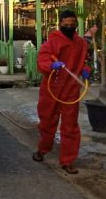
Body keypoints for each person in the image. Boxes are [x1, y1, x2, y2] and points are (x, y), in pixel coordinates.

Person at [32, 10, 90, 174]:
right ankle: (42, 149)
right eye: (66, 24)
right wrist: (50, 66)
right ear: (60, 24)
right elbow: (42, 61)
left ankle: (68, 160)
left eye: (72, 24)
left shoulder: (81, 44)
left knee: (70, 126)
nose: (69, 27)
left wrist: (85, 69)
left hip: (71, 89)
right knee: (47, 121)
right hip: (52, 89)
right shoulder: (51, 43)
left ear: (76, 25)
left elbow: (83, 61)